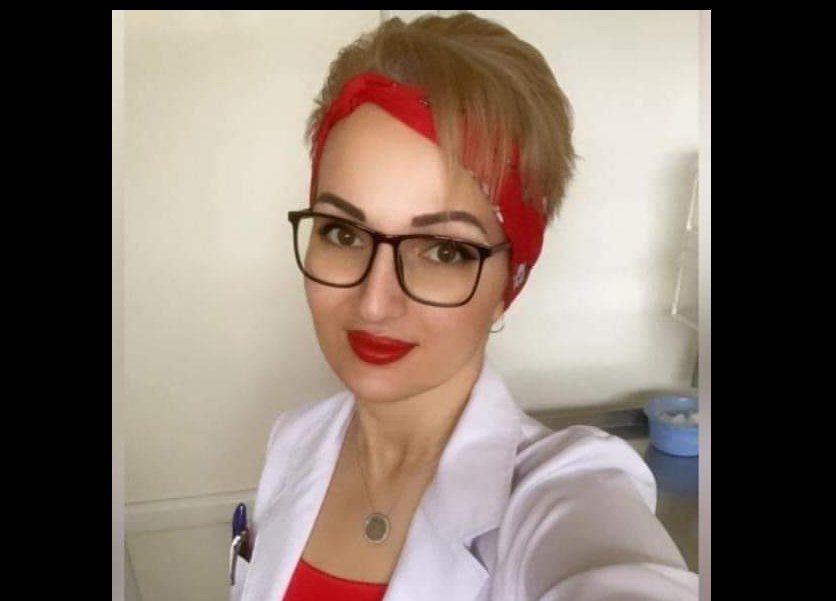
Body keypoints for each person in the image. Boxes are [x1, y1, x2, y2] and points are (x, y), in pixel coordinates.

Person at [231, 11, 698, 601]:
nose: (374, 302)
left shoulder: (560, 493)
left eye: (444, 250)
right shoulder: (294, 440)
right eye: (343, 233)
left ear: (509, 281)